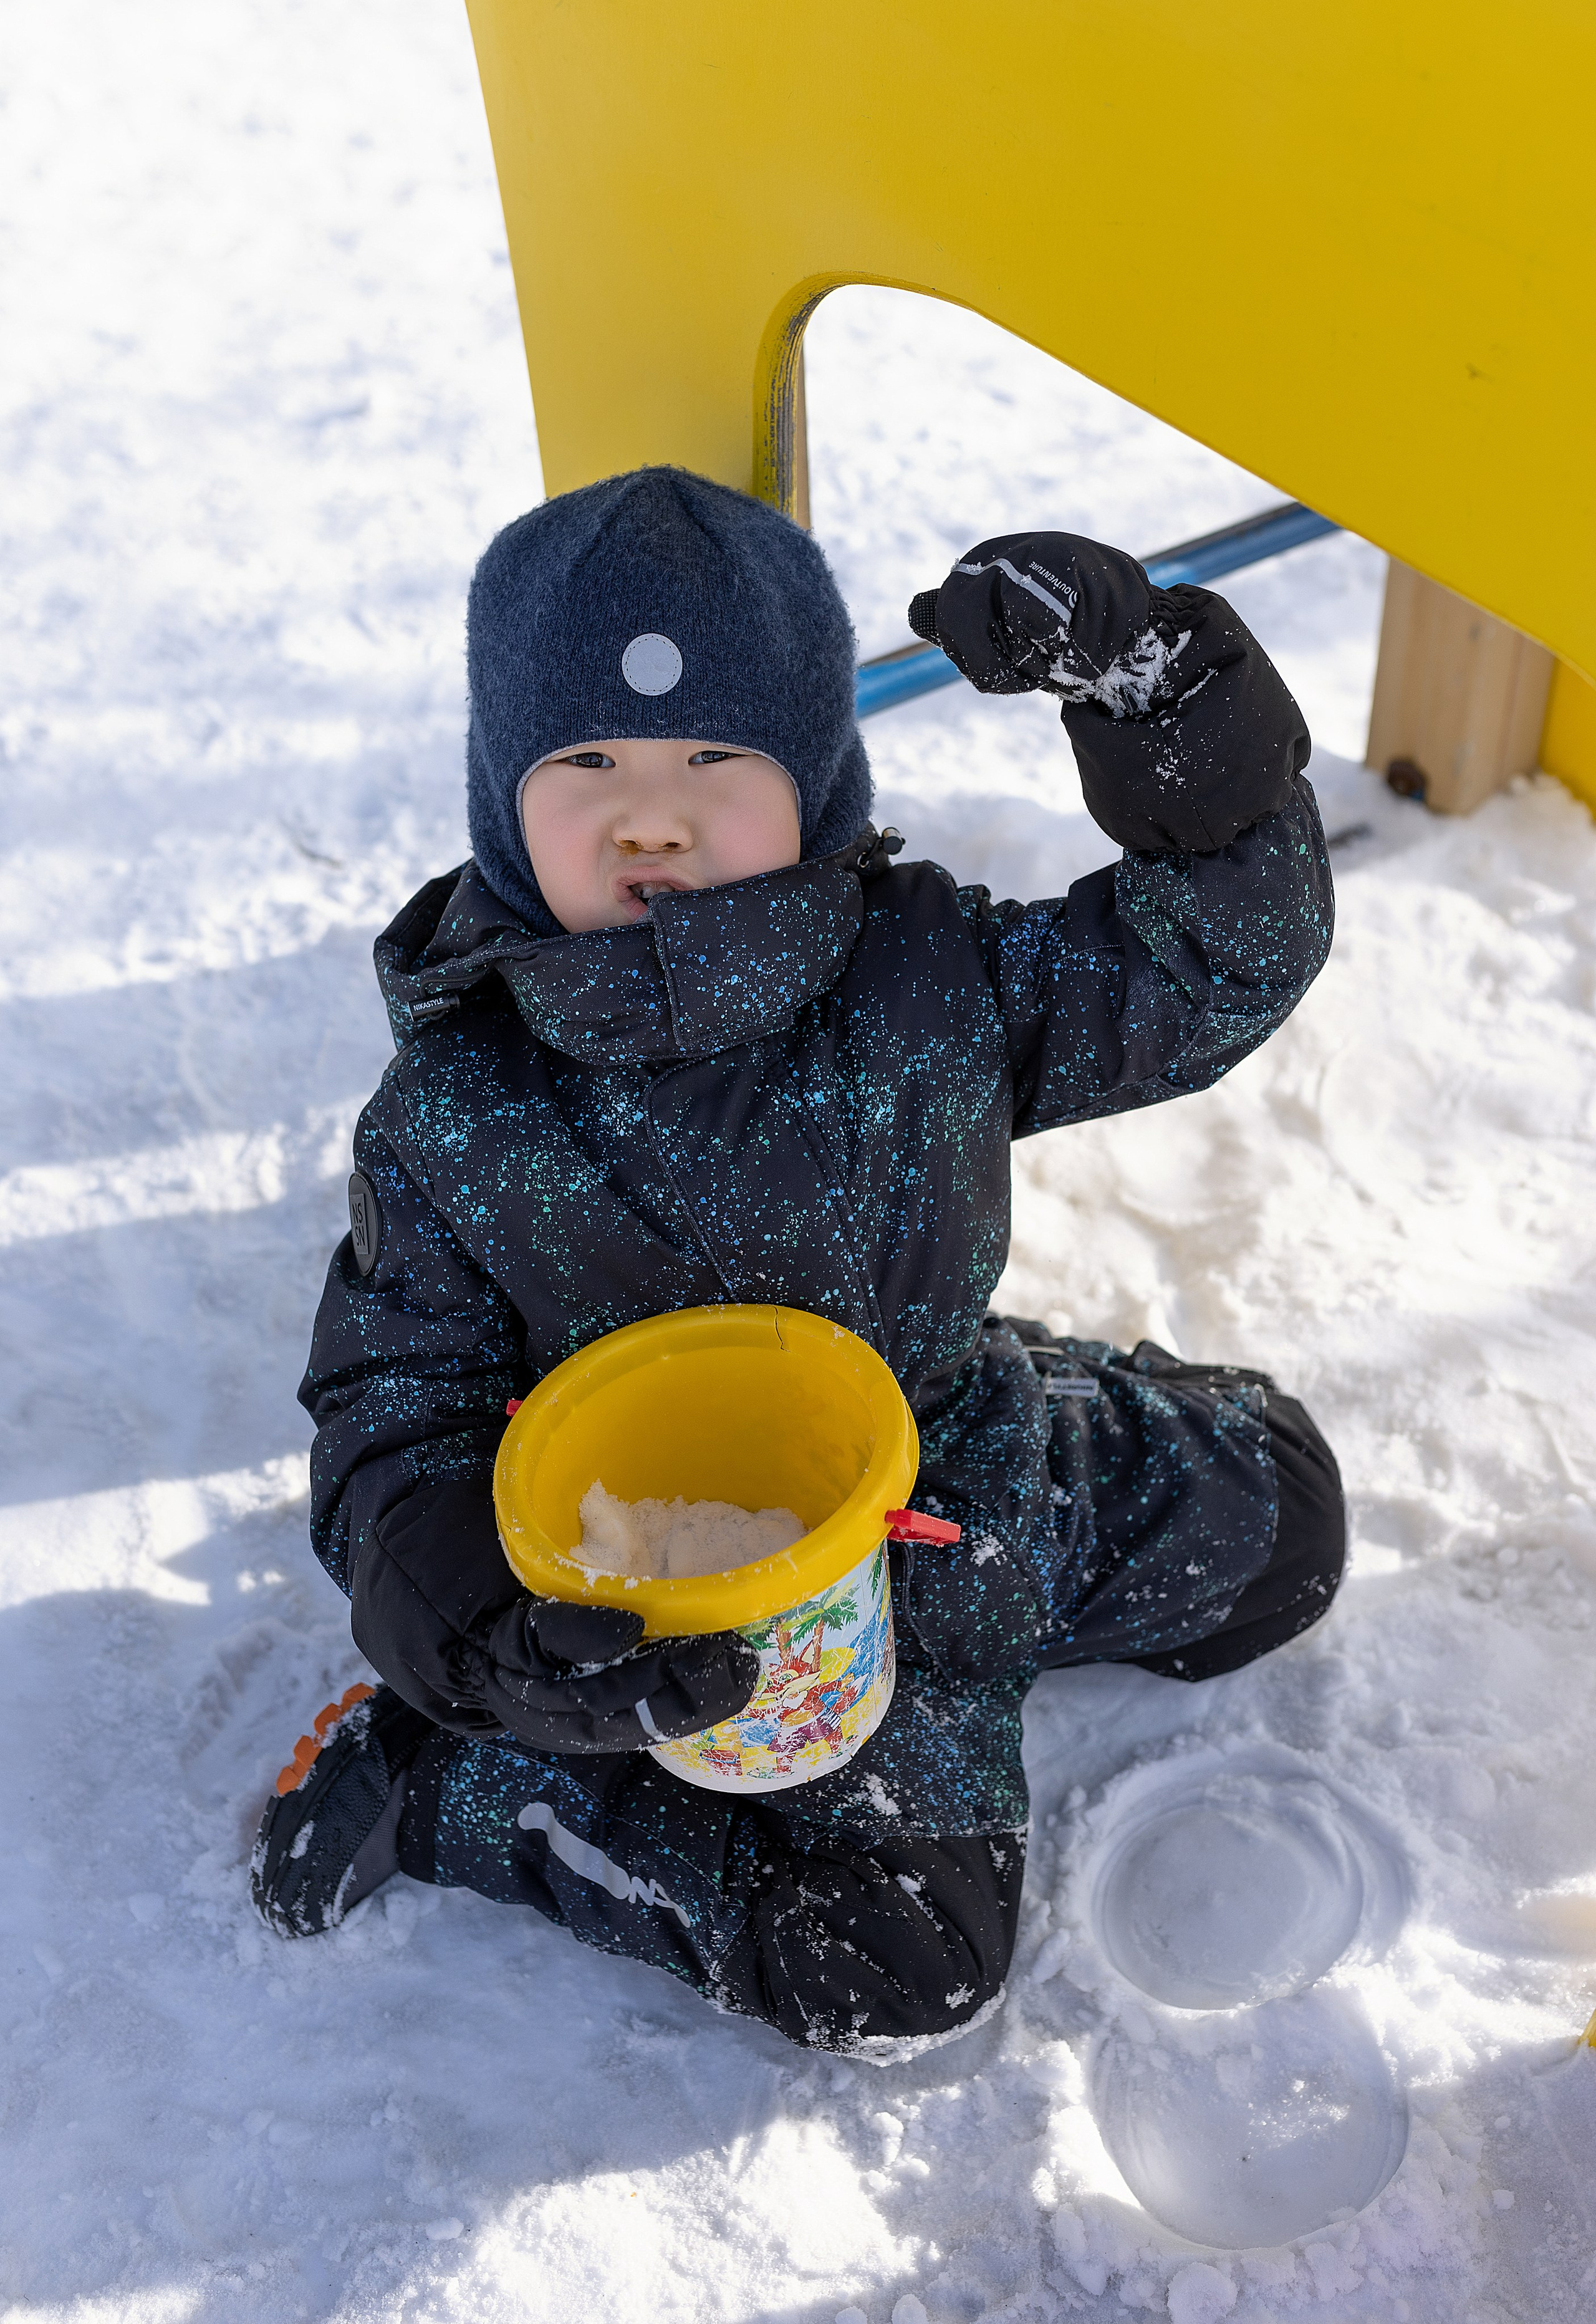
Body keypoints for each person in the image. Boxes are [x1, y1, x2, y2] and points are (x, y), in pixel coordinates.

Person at [251, 468, 1344, 2057]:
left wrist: (1158, 691)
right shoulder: (460, 1115)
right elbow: (390, 1423)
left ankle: (1061, 1402)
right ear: (500, 793)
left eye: (716, 755)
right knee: (889, 1969)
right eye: (584, 761)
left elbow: (1213, 955)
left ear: (816, 776)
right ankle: (457, 1785)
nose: (653, 810)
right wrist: (495, 1643)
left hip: (953, 1473)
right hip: (688, 1626)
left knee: (1287, 1527)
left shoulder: (927, 980)